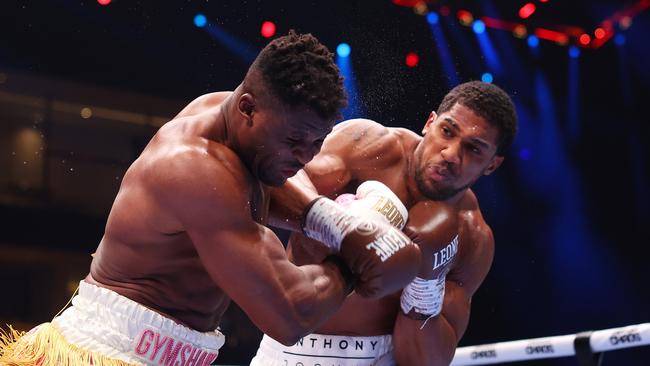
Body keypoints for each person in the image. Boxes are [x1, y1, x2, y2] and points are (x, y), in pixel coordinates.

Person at [0, 31, 422, 366]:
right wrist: (356, 260)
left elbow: (275, 185)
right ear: (248, 109)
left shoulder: (227, 120)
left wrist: (335, 222)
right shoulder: (196, 169)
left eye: (317, 142)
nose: (305, 158)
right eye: (294, 141)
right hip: (108, 355)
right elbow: (289, 314)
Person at [250, 81, 518, 365]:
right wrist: (338, 223)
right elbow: (270, 180)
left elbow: (424, 362)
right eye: (447, 131)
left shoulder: (470, 234)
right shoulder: (368, 148)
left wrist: (426, 284)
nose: (451, 154)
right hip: (291, 345)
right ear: (430, 123)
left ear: (492, 164)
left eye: (474, 149)